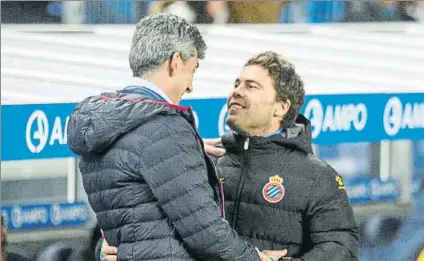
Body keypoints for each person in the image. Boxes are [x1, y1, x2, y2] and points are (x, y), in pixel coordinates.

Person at [101, 51, 360, 261]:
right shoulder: (201, 161)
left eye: (251, 86)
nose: (236, 91)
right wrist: (107, 250)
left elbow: (342, 249)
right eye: (236, 84)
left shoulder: (317, 176)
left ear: (281, 107)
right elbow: (142, 222)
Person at [67, 13, 271, 261]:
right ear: (175, 62)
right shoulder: (166, 128)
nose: (190, 86)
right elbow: (205, 233)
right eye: (192, 70)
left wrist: (189, 149)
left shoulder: (103, 123)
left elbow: (132, 212)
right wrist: (257, 258)